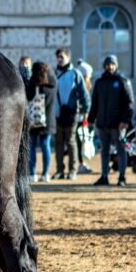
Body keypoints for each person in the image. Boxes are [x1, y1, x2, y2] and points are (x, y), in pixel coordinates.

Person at [87, 55, 133, 186]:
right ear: (104, 66)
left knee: (121, 151)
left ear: (116, 65)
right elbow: (94, 103)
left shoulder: (122, 81)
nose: (110, 66)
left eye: (112, 64)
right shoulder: (99, 82)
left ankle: (122, 177)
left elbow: (129, 103)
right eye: (107, 64)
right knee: (104, 152)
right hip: (102, 124)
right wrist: (90, 119)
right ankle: (104, 176)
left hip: (118, 125)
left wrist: (125, 120)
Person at [53, 48, 90, 180]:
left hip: (72, 113)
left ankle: (72, 170)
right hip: (56, 114)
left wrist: (86, 111)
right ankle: (59, 170)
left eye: (62, 57)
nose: (59, 59)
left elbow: (84, 94)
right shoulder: (53, 73)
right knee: (58, 142)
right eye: (58, 57)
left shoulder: (75, 74)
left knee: (70, 141)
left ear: (68, 58)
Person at [25, 62, 57, 182]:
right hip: (47, 121)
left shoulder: (31, 86)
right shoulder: (51, 86)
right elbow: (54, 79)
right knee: (46, 146)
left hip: (33, 120)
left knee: (32, 147)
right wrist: (49, 71)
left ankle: (32, 174)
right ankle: (45, 174)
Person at [75, 59, 94, 174]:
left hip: (82, 117)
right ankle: (81, 163)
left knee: (82, 141)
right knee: (80, 141)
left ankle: (82, 163)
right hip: (80, 117)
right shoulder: (80, 86)